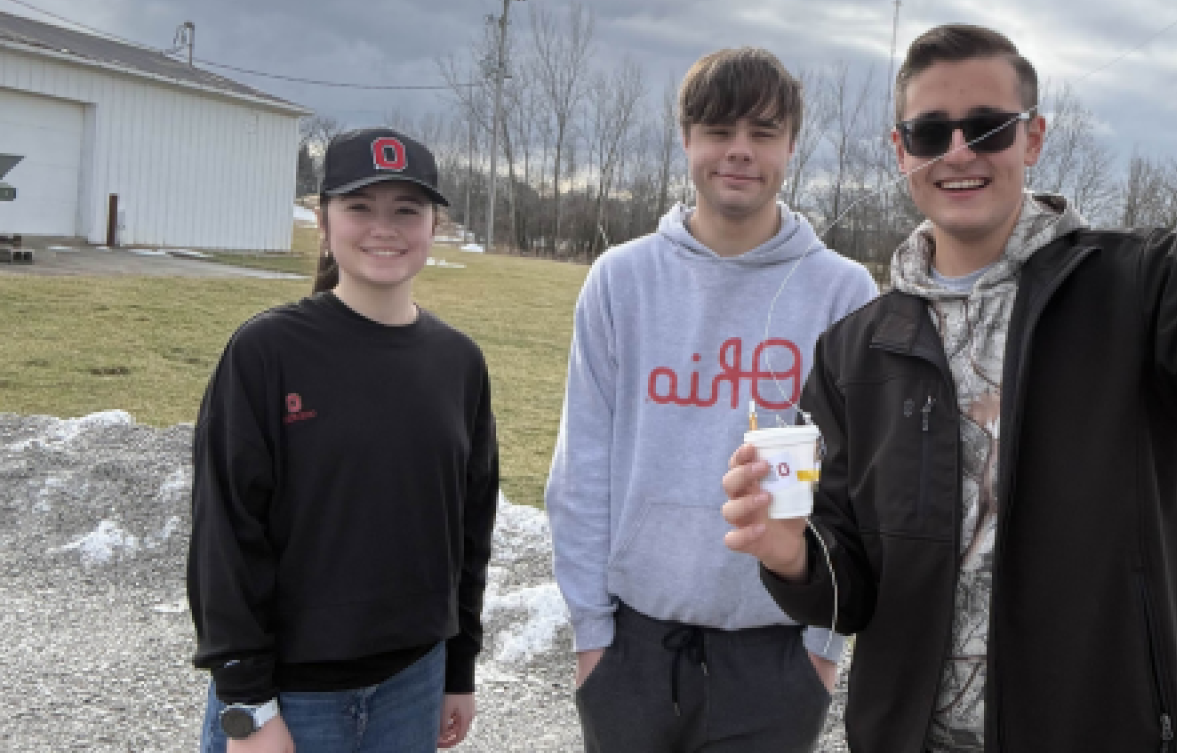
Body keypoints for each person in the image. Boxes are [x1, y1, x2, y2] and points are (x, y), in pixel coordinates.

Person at [720, 0, 1177, 751]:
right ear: (902, 151)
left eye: (988, 126)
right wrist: (788, 554)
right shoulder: (856, 350)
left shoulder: (1140, 283)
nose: (959, 151)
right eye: (932, 132)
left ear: (1033, 136)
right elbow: (850, 592)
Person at [545, 47, 880, 752]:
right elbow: (582, 468)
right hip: (633, 649)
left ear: (791, 145)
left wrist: (821, 650)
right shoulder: (621, 279)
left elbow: (859, 489)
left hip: (780, 652)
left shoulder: (844, 293)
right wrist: (591, 637)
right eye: (718, 131)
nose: (739, 152)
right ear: (686, 139)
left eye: (762, 133)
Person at [187, 128, 499, 753]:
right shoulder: (266, 352)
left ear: (432, 227)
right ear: (324, 222)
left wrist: (459, 666)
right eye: (360, 207)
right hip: (292, 699)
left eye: (406, 210)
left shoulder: (459, 363)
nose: (384, 227)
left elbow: (468, 533)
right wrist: (246, 703)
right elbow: (225, 533)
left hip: (413, 685)